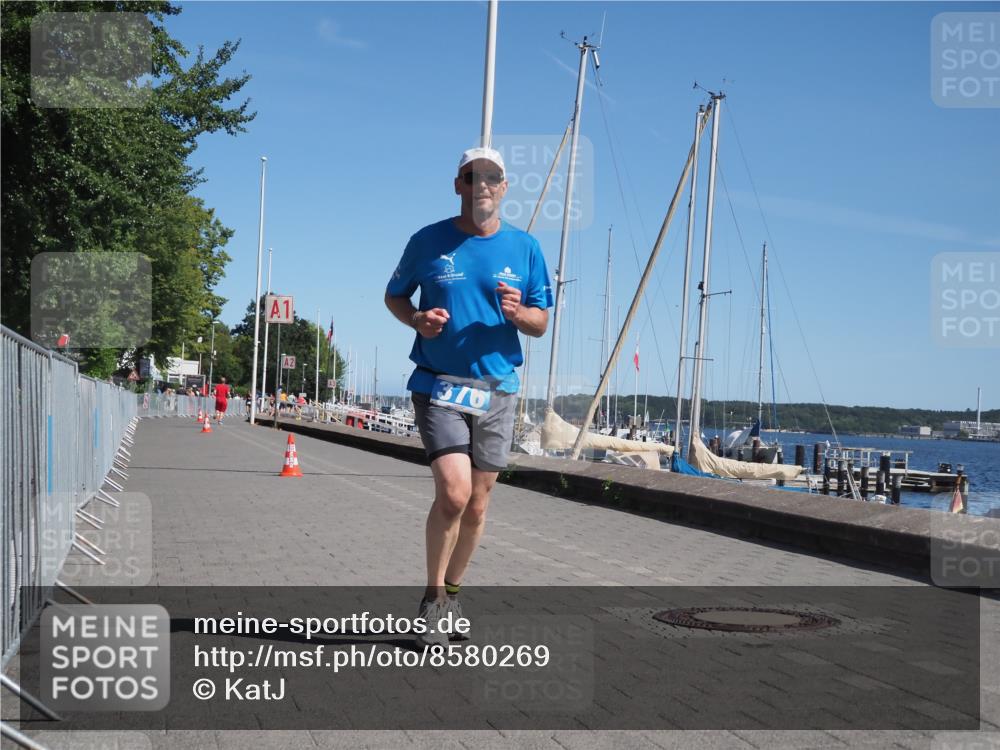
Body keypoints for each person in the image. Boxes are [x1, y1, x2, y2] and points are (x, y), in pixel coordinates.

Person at [385, 146, 553, 649]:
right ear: (458, 184)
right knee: (454, 493)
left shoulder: (526, 248)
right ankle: (432, 600)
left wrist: (519, 314)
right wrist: (416, 319)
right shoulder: (428, 241)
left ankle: (454, 593)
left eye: (492, 177)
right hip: (439, 384)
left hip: (498, 388)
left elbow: (541, 323)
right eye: (472, 176)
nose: (482, 184)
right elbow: (395, 295)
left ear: (503, 188)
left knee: (478, 505)